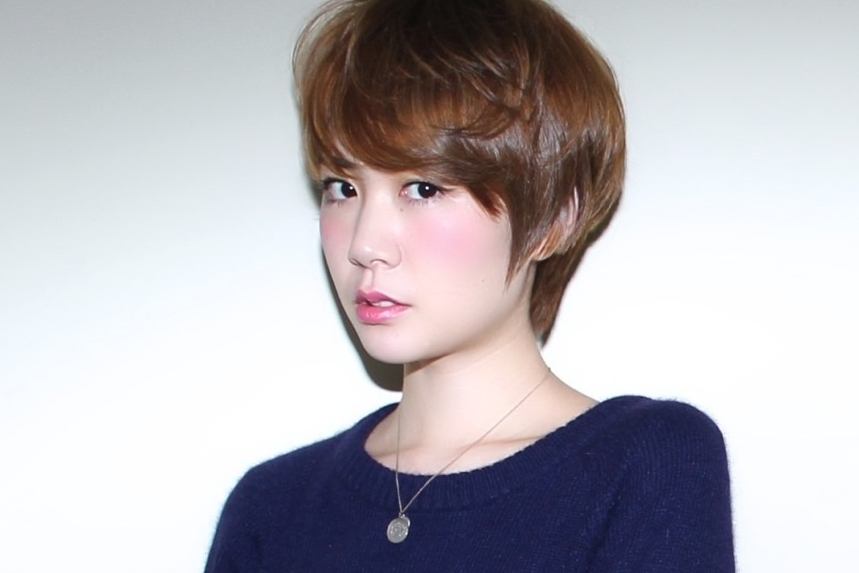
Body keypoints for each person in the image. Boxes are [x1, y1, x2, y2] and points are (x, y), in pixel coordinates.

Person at [204, 0, 735, 570]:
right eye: (343, 187)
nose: (364, 244)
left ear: (554, 219)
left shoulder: (641, 466)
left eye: (424, 188)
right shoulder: (272, 508)